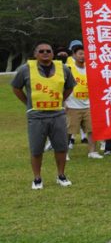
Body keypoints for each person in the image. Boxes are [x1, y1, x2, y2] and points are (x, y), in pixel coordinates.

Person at [11, 42, 75, 189]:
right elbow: (16, 87)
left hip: (57, 114)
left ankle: (61, 175)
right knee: (36, 148)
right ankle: (37, 178)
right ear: (35, 54)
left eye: (48, 51)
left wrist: (61, 100)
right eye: (41, 51)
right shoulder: (25, 69)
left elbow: (70, 86)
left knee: (61, 147)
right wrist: (28, 103)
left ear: (53, 53)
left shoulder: (63, 68)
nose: (45, 53)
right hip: (36, 116)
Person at [65, 41, 102, 159]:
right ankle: (64, 152)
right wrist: (64, 102)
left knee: (91, 129)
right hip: (72, 105)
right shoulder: (68, 69)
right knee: (69, 131)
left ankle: (92, 151)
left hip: (88, 104)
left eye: (85, 54)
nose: (83, 56)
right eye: (80, 54)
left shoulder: (91, 68)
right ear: (74, 55)